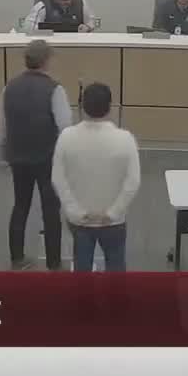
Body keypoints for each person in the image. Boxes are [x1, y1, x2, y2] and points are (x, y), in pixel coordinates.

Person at [0, 40, 71, 270]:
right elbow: (65, 126)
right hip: (47, 158)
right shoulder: (55, 89)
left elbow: (0, 126)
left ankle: (17, 259)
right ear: (46, 60)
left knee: (20, 206)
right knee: (51, 210)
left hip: (18, 157)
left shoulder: (9, 88)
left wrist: (3, 153)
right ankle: (54, 264)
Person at [51, 82, 140, 272]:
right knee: (116, 269)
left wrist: (76, 212)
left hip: (80, 221)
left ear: (82, 106)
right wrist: (113, 213)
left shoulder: (66, 137)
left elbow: (58, 179)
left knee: (82, 269)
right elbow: (133, 182)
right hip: (114, 222)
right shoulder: (125, 139)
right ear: (110, 106)